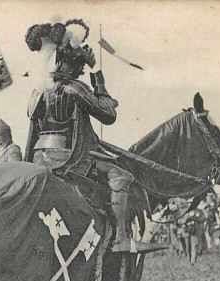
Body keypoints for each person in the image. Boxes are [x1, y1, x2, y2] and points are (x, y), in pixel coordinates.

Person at [24, 19, 159, 253]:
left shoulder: (37, 92)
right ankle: (121, 239)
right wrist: (97, 75)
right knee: (121, 176)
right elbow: (108, 114)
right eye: (78, 68)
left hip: (38, 157)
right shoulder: (74, 88)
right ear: (66, 64)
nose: (78, 72)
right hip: (66, 157)